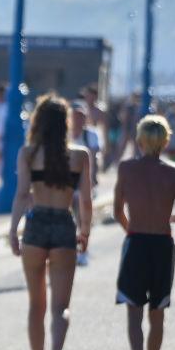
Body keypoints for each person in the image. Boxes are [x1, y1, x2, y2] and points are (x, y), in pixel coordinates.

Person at [8, 95, 92, 350]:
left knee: (36, 305)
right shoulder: (80, 156)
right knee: (61, 307)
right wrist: (85, 231)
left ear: (38, 123)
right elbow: (85, 200)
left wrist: (12, 230)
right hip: (62, 226)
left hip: (36, 225)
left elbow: (20, 195)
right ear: (66, 123)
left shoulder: (28, 154)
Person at [113, 116, 175, 350]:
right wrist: (168, 217)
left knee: (133, 312)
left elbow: (117, 211)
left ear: (139, 140)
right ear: (165, 141)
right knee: (158, 312)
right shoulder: (174, 172)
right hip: (162, 244)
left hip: (136, 242)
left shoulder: (126, 169)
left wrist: (133, 228)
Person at [70, 103, 101, 266]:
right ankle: (72, 247)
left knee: (83, 216)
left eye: (81, 117)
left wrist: (92, 179)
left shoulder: (91, 135)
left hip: (84, 182)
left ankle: (83, 249)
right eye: (75, 116)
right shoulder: (66, 135)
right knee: (70, 218)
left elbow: (94, 160)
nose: (78, 120)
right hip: (68, 183)